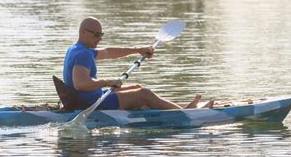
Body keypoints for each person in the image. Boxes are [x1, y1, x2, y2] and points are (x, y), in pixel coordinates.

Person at [63, 17, 214, 110]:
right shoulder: (83, 53)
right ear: (83, 32)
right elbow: (80, 84)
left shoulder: (78, 49)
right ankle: (186, 114)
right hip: (92, 103)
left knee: (137, 88)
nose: (100, 38)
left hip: (90, 97)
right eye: (96, 35)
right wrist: (108, 81)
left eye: (101, 34)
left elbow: (109, 52)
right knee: (144, 94)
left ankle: (181, 107)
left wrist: (137, 50)